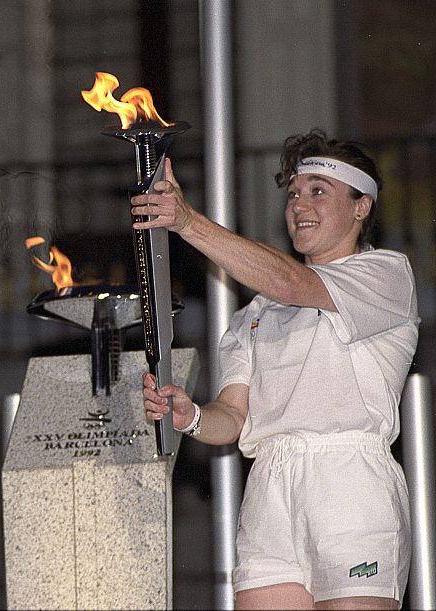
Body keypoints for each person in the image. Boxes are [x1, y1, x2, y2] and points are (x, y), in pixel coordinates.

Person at [132, 130, 419, 610]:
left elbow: (293, 282)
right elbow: (233, 415)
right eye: (293, 194)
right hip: (269, 489)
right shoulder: (253, 314)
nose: (299, 205)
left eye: (318, 191)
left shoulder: (385, 276)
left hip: (349, 483)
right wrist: (191, 416)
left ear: (361, 206)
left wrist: (188, 222)